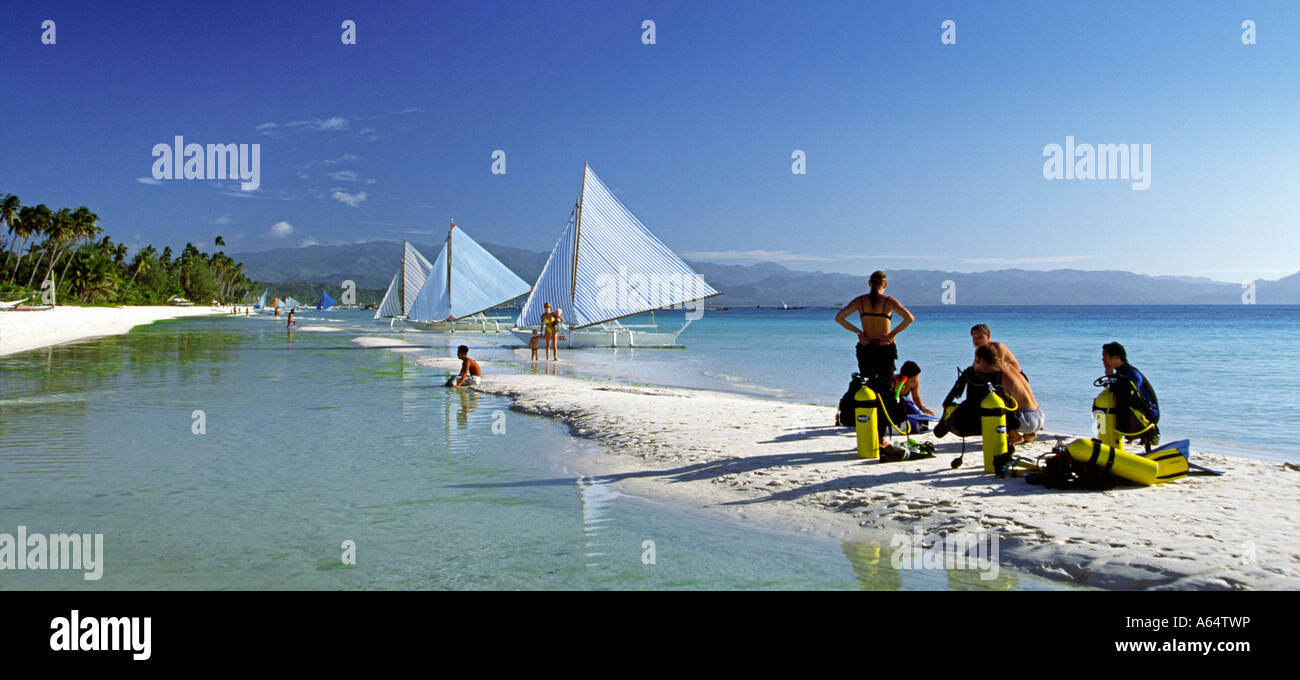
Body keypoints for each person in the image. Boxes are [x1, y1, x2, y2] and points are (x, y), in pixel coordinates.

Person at [835, 271, 915, 391]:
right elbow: (909, 319)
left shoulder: (860, 301)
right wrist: (892, 334)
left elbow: (839, 318)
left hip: (866, 347)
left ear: (869, 283)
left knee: (867, 385)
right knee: (886, 386)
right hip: (885, 348)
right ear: (885, 284)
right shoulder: (889, 301)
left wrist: (858, 333)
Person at [972, 344, 1043, 445]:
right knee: (1006, 397)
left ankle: (1013, 434)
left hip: (1025, 420)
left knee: (989, 407)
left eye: (977, 361)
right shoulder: (1008, 366)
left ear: (982, 360)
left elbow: (976, 374)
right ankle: (1029, 433)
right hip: (1039, 416)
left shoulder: (990, 370)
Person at [1102, 341, 1159, 435]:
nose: (1102, 359)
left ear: (1117, 357)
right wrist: (1110, 376)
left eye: (1105, 355)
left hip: (1148, 416)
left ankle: (1120, 433)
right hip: (1136, 412)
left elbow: (1125, 396)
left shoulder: (1132, 374)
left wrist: (1111, 376)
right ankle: (1107, 436)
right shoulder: (1120, 373)